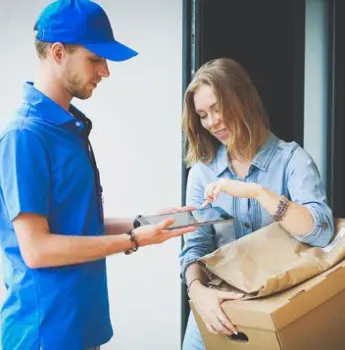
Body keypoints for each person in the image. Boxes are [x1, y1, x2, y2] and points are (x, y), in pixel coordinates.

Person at [0, 1, 196, 349]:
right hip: (44, 335)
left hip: (82, 328)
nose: (105, 71)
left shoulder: (68, 128)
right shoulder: (25, 135)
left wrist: (145, 222)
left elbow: (75, 225)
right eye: (95, 59)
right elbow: (37, 249)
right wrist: (134, 241)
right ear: (58, 52)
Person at [179, 57, 334, 350]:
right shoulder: (202, 172)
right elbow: (195, 248)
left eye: (217, 108)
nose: (211, 122)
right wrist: (197, 290)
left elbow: (322, 232)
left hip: (277, 315)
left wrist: (258, 192)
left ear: (243, 98)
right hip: (214, 315)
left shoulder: (292, 160)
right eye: (202, 114)